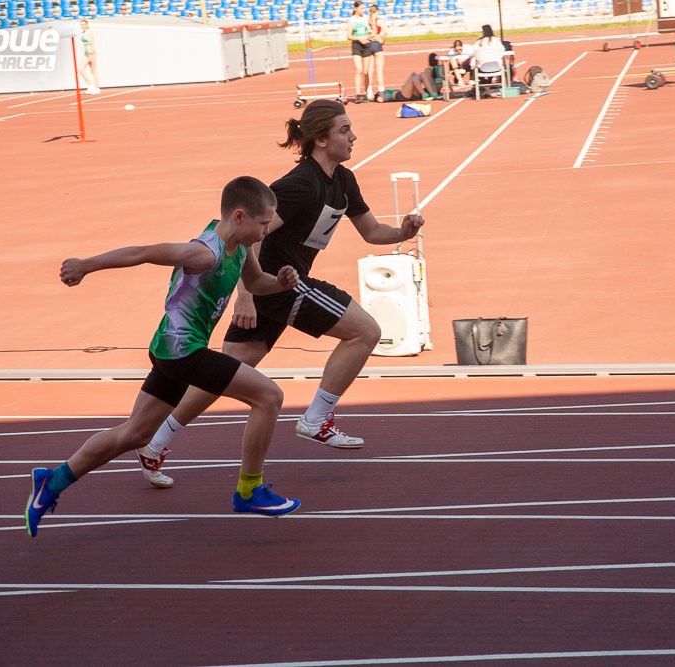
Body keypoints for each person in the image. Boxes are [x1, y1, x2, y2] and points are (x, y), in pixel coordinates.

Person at [135, 99, 425, 488]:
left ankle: (154, 443)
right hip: (279, 283)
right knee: (365, 331)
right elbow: (250, 236)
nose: (354, 136)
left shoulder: (343, 181)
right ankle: (316, 418)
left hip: (277, 287)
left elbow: (372, 232)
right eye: (344, 130)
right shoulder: (300, 184)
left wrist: (403, 232)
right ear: (321, 139)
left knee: (223, 372)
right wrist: (247, 295)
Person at [25, 176, 302, 537]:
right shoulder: (204, 253)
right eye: (263, 224)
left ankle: (52, 481)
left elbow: (255, 283)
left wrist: (280, 283)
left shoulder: (241, 246)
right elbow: (143, 252)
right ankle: (250, 490)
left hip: (170, 351)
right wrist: (86, 265)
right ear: (239, 216)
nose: (266, 231)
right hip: (183, 351)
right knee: (269, 396)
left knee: (135, 433)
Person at [347, 1, 372, 103]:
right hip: (357, 45)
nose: (363, 10)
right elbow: (349, 36)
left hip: (366, 45)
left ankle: (365, 93)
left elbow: (371, 31)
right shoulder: (352, 20)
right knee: (359, 69)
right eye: (361, 8)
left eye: (363, 8)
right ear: (356, 9)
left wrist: (369, 35)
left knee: (366, 71)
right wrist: (359, 39)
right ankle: (357, 94)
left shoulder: (366, 18)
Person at [367, 4, 388, 101]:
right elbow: (386, 32)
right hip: (377, 44)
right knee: (379, 70)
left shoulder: (367, 21)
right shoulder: (379, 21)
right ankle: (381, 91)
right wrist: (382, 40)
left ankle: (369, 91)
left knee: (369, 70)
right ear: (377, 11)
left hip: (368, 44)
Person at [78, 19, 101, 95]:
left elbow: (92, 43)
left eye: (83, 24)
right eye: (81, 24)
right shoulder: (82, 33)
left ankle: (96, 87)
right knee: (80, 69)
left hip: (91, 53)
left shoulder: (89, 32)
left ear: (87, 25)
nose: (82, 26)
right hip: (86, 53)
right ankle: (91, 85)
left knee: (93, 70)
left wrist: (90, 54)